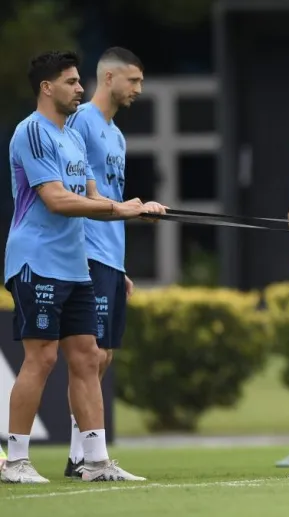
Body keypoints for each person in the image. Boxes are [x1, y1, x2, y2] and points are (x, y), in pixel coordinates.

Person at [2, 50, 158, 484]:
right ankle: (16, 462)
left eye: (78, 80)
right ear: (46, 87)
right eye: (70, 82)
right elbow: (56, 199)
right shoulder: (32, 131)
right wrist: (117, 208)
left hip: (75, 265)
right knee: (41, 358)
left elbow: (93, 199)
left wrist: (136, 209)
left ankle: (95, 461)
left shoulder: (72, 137)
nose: (79, 88)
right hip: (37, 260)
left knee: (88, 358)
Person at [62, 46, 152, 479]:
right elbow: (78, 193)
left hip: (111, 257)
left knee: (105, 356)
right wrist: (83, 254)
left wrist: (120, 267)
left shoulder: (116, 134)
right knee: (90, 354)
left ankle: (79, 453)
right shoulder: (80, 121)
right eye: (133, 80)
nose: (139, 89)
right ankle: (83, 457)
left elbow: (111, 200)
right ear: (110, 78)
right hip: (88, 253)